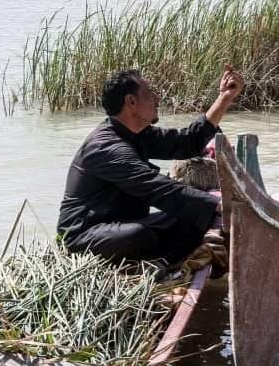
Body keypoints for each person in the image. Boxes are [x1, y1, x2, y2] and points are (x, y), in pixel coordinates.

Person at [57, 66, 244, 270]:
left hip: (126, 222)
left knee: (195, 213)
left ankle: (163, 261)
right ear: (132, 102)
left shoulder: (138, 134)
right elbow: (157, 188)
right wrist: (220, 205)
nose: (157, 99)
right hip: (85, 236)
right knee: (138, 234)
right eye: (150, 95)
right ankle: (162, 261)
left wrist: (225, 97)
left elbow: (186, 142)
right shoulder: (106, 147)